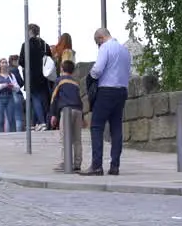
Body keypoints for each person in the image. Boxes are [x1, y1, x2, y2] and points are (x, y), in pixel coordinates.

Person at [85, 27, 133, 176]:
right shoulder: (125, 50)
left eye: (97, 43)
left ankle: (97, 165)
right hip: (122, 91)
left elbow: (98, 70)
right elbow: (128, 72)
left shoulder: (105, 48)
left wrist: (90, 77)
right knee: (116, 128)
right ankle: (115, 166)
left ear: (100, 38)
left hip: (106, 90)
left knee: (97, 126)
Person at [49, 60, 85, 173]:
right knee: (77, 139)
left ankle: (65, 162)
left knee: (64, 137)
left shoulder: (59, 81)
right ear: (73, 71)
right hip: (78, 111)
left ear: (61, 69)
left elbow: (54, 98)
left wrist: (53, 114)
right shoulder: (76, 82)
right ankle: (77, 163)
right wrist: (83, 117)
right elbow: (80, 99)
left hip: (66, 110)